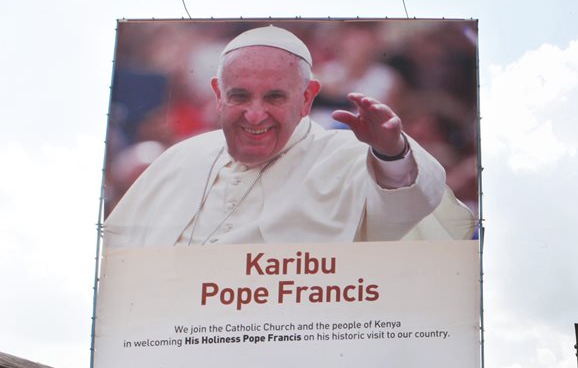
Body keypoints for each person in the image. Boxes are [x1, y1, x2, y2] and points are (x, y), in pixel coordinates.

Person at [103, 25, 475, 248]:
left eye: (275, 97)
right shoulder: (178, 160)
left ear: (307, 97)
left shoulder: (348, 154)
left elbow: (410, 211)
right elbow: (122, 262)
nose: (255, 114)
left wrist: (391, 154)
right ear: (218, 94)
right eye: (239, 96)